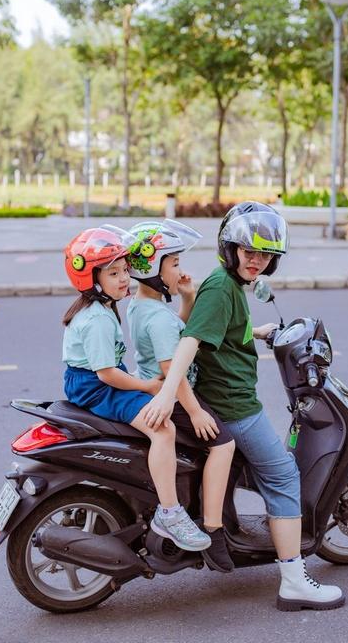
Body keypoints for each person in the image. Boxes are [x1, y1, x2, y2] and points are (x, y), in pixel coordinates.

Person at [143, 202, 345, 611]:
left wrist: (255, 331)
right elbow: (191, 340)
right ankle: (294, 580)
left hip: (226, 398)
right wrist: (167, 393)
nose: (257, 261)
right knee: (283, 474)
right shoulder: (221, 287)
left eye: (265, 255)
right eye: (249, 251)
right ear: (230, 248)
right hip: (233, 405)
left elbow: (221, 330)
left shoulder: (229, 285)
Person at [61, 224, 210, 553]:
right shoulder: (97, 319)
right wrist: (147, 386)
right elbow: (106, 375)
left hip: (94, 381)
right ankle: (170, 513)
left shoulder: (103, 308)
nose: (123, 279)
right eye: (113, 273)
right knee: (163, 428)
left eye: (125, 270)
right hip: (96, 388)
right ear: (91, 279)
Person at [125, 219, 236, 572]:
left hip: (160, 390)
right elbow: (174, 368)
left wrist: (187, 298)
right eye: (173, 263)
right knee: (224, 444)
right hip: (173, 399)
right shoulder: (156, 317)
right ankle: (214, 530)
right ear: (152, 270)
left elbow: (178, 332)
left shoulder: (143, 306)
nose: (180, 270)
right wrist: (195, 411)